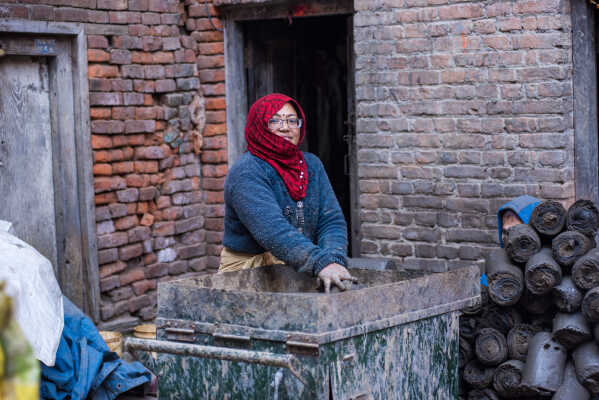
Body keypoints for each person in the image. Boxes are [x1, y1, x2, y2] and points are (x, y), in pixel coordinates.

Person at [219, 93, 356, 292]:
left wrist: (333, 260)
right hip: (249, 274)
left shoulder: (311, 165)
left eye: (292, 120)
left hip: (302, 264)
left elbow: (330, 220)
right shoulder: (247, 171)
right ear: (259, 125)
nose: (285, 127)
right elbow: (273, 230)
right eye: (274, 120)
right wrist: (320, 263)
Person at [481, 195, 541, 286]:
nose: (508, 239)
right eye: (505, 232)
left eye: (515, 232)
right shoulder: (495, 272)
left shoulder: (546, 274)